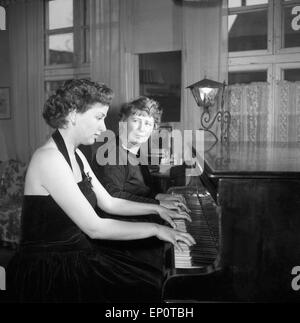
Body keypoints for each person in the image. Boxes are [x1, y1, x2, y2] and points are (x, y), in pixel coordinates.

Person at [6, 79, 195, 303]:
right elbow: (95, 227)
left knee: (152, 277)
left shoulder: (76, 155)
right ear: (73, 114)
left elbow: (109, 202)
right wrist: (156, 228)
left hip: (76, 253)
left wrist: (159, 210)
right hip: (50, 269)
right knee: (148, 286)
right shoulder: (49, 158)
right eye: (98, 117)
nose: (104, 127)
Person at [90, 96, 191, 302]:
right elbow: (114, 196)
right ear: (122, 123)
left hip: (134, 226)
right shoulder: (112, 152)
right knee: (158, 279)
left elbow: (137, 189)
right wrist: (158, 205)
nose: (142, 128)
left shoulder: (133, 152)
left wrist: (158, 197)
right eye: (136, 120)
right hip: (118, 242)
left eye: (148, 123)